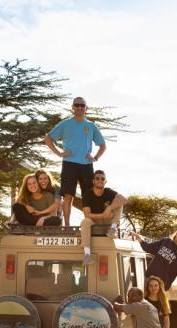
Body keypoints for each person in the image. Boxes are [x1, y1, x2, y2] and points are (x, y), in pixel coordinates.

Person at [44, 96, 107, 226]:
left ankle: (89, 225)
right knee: (68, 196)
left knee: (88, 197)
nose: (79, 107)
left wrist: (95, 158)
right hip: (69, 164)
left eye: (82, 105)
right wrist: (59, 153)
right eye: (76, 105)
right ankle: (66, 226)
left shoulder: (91, 126)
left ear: (86, 108)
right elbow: (48, 138)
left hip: (86, 165)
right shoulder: (65, 124)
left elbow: (103, 145)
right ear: (72, 107)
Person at [129, 229, 177, 300]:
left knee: (157, 303)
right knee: (146, 300)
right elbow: (149, 248)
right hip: (150, 277)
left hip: (162, 282)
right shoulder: (166, 241)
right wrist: (138, 237)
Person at [80, 169, 127, 265]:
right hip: (95, 224)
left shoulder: (108, 192)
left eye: (102, 178)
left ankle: (112, 230)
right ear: (93, 181)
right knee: (85, 221)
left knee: (119, 201)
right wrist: (103, 215)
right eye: (97, 178)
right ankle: (87, 255)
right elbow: (87, 214)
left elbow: (124, 199)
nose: (100, 180)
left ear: (105, 181)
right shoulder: (87, 195)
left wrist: (109, 208)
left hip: (108, 225)